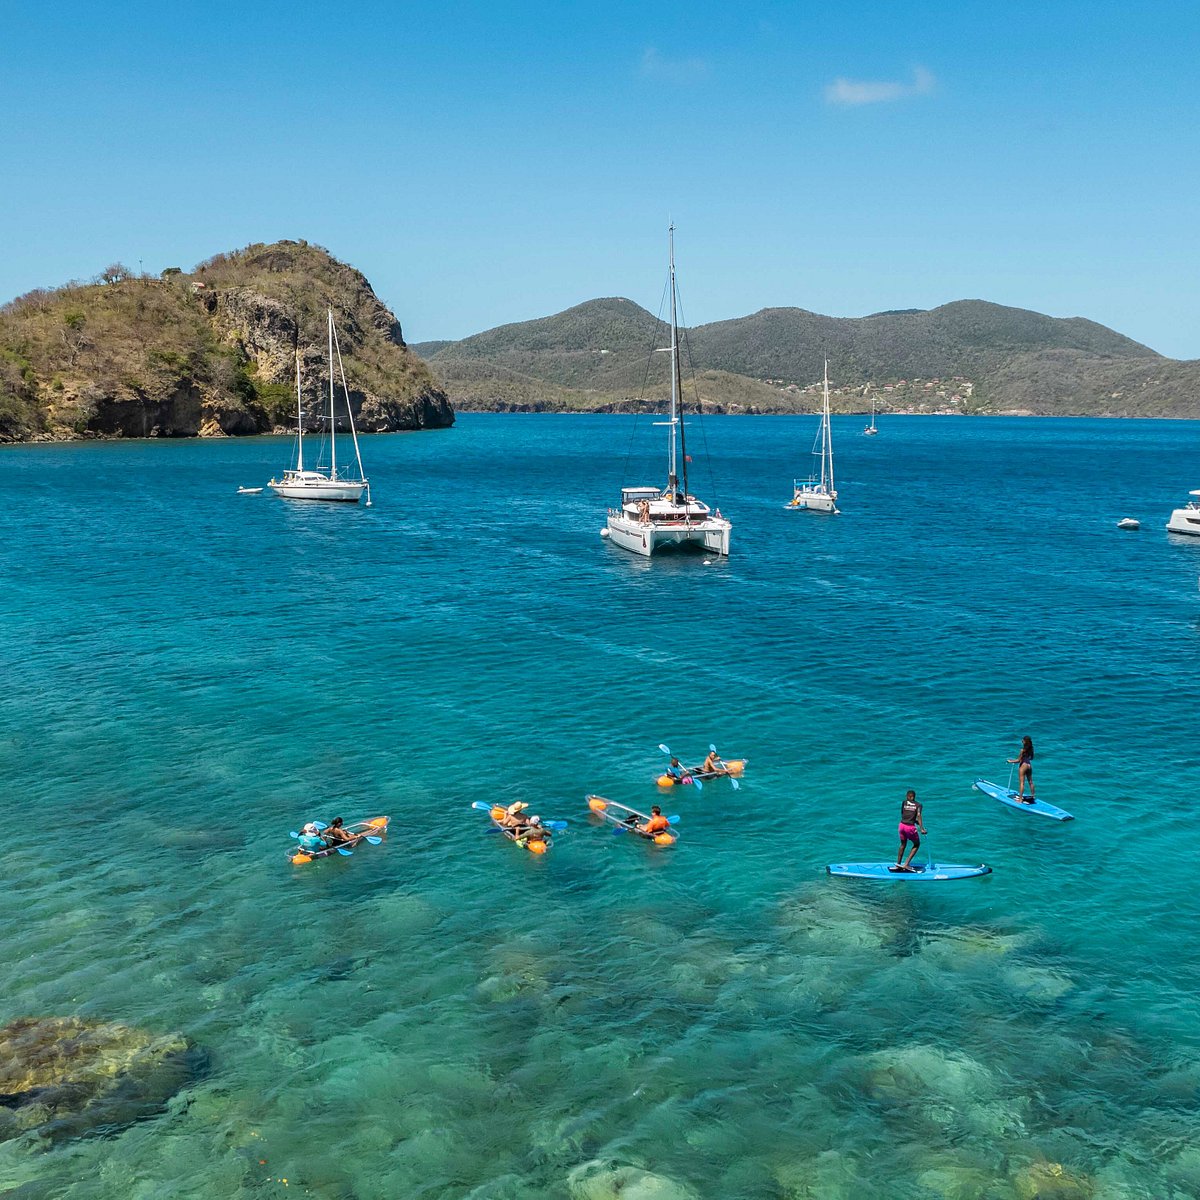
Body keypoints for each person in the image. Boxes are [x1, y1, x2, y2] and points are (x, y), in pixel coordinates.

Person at [890, 790, 926, 872]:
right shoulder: (918, 805)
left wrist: (913, 820)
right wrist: (922, 829)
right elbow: (919, 815)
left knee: (903, 844)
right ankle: (906, 864)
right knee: (917, 844)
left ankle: (898, 864)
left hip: (901, 825)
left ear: (907, 796)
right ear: (914, 797)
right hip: (910, 828)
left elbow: (903, 814)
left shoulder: (904, 803)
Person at [1008, 736, 1035, 802]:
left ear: (1025, 742)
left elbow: (1018, 760)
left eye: (1022, 741)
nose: (1021, 741)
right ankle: (1033, 796)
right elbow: (1032, 758)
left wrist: (1010, 761)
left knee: (1022, 783)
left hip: (1023, 766)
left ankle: (1020, 799)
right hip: (1029, 765)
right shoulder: (1031, 749)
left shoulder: (1022, 750)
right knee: (1030, 782)